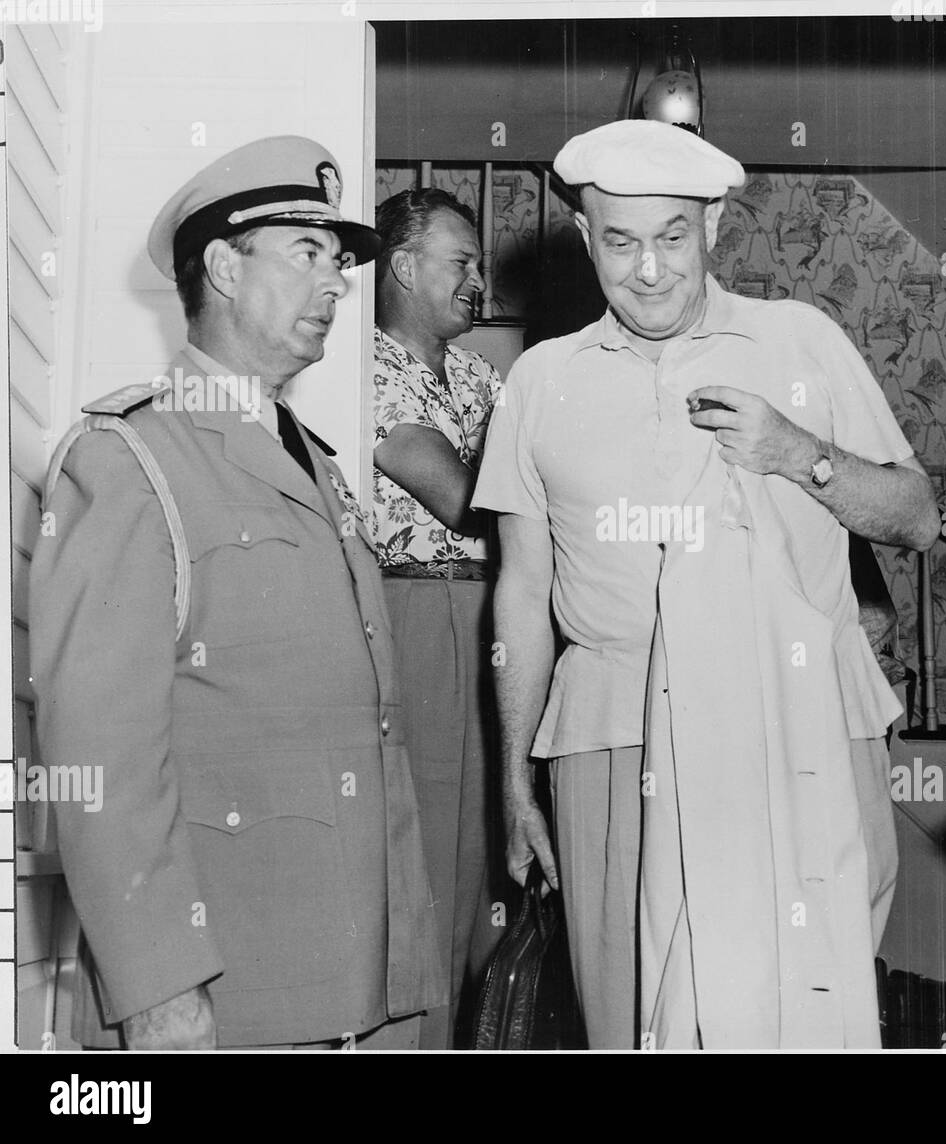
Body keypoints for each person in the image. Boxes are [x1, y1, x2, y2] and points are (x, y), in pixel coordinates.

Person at [471, 119, 939, 1049]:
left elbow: (916, 516)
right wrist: (515, 783)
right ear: (584, 238)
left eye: (673, 238)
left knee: (807, 1009)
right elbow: (520, 596)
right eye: (620, 242)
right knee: (630, 1014)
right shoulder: (539, 380)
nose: (649, 270)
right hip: (615, 730)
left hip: (795, 718)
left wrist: (800, 455)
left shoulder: (800, 340)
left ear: (714, 227)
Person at [31, 137, 441, 1050]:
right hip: (232, 1002)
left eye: (339, 262)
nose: (337, 283)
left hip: (361, 988)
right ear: (222, 265)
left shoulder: (317, 465)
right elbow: (99, 758)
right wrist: (160, 995)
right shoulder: (129, 459)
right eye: (308, 254)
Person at [371, 188, 503, 1048]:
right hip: (414, 612)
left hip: (489, 614)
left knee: (485, 853)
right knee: (418, 850)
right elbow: (462, 498)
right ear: (404, 267)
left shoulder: (482, 377)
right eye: (462, 262)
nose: (479, 281)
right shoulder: (367, 368)